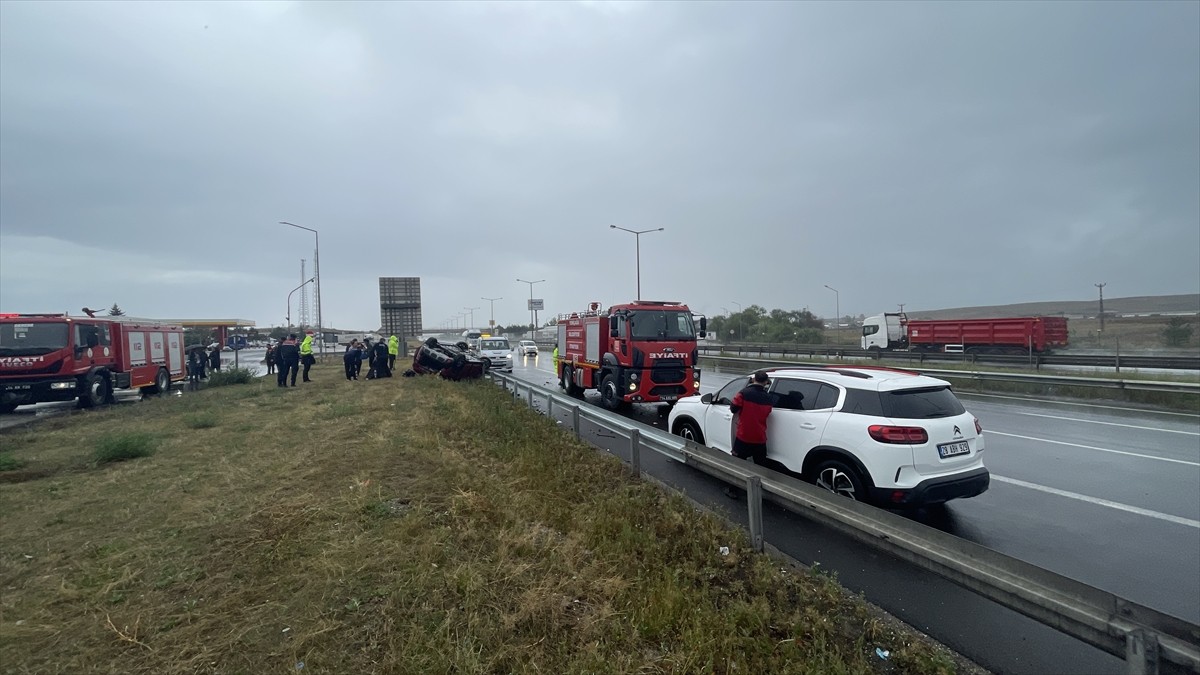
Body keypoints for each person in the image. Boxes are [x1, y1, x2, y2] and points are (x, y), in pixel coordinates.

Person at [725, 370, 781, 498]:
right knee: (761, 466)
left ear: (754, 379)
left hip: (743, 436)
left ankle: (733, 490)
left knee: (737, 465)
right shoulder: (768, 398)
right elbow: (767, 413)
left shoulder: (744, 393)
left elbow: (733, 408)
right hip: (760, 438)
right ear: (766, 382)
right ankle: (761, 492)